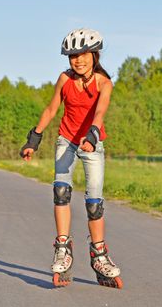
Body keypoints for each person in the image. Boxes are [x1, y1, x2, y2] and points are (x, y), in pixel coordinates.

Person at [20, 28, 123, 289]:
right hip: (66, 140)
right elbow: (52, 108)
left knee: (94, 203)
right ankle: (63, 248)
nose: (78, 60)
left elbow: (100, 112)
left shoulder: (103, 82)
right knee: (61, 191)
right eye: (72, 56)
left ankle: (99, 254)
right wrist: (34, 139)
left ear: (94, 55)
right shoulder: (65, 80)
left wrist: (92, 136)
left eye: (83, 55)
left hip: (93, 143)